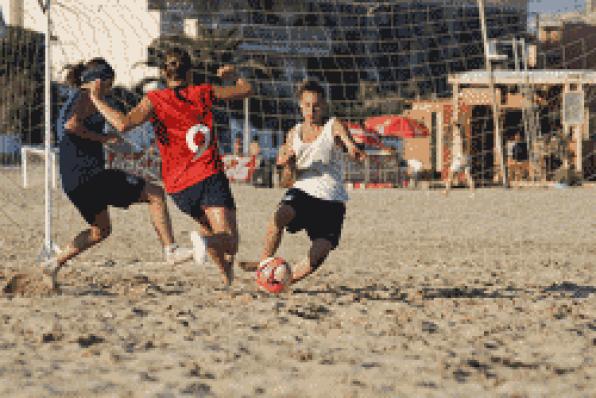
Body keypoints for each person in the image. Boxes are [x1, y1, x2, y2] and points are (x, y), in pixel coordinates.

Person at [88, 48, 252, 286]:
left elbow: (122, 124)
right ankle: (205, 246)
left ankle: (226, 277)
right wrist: (234, 75)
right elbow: (246, 90)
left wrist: (97, 99)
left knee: (210, 229)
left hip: (178, 188)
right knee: (229, 241)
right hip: (207, 174)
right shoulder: (202, 91)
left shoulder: (154, 99)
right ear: (190, 72)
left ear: (164, 74)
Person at [42, 58, 193, 288]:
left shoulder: (72, 99)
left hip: (72, 181)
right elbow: (72, 126)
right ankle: (171, 250)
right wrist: (104, 139)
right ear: (99, 82)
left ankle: (53, 263)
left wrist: (109, 144)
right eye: (109, 85)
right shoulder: (86, 97)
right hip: (89, 177)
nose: (110, 91)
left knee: (100, 230)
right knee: (155, 193)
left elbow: (73, 130)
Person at [240, 79, 366, 289]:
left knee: (319, 254)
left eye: (316, 105)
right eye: (307, 105)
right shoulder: (293, 134)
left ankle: (282, 280)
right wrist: (288, 164)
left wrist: (352, 149)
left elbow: (348, 143)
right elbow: (287, 181)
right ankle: (264, 266)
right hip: (303, 191)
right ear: (300, 105)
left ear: (324, 105)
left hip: (331, 198)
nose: (312, 110)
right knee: (277, 218)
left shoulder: (332, 125)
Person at [444, 125, 475, 196]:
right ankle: (473, 192)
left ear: (457, 130)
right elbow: (466, 148)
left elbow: (459, 148)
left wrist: (459, 158)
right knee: (468, 175)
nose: (454, 130)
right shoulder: (465, 138)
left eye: (455, 129)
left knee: (450, 174)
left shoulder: (458, 137)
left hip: (459, 157)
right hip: (466, 157)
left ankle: (446, 191)